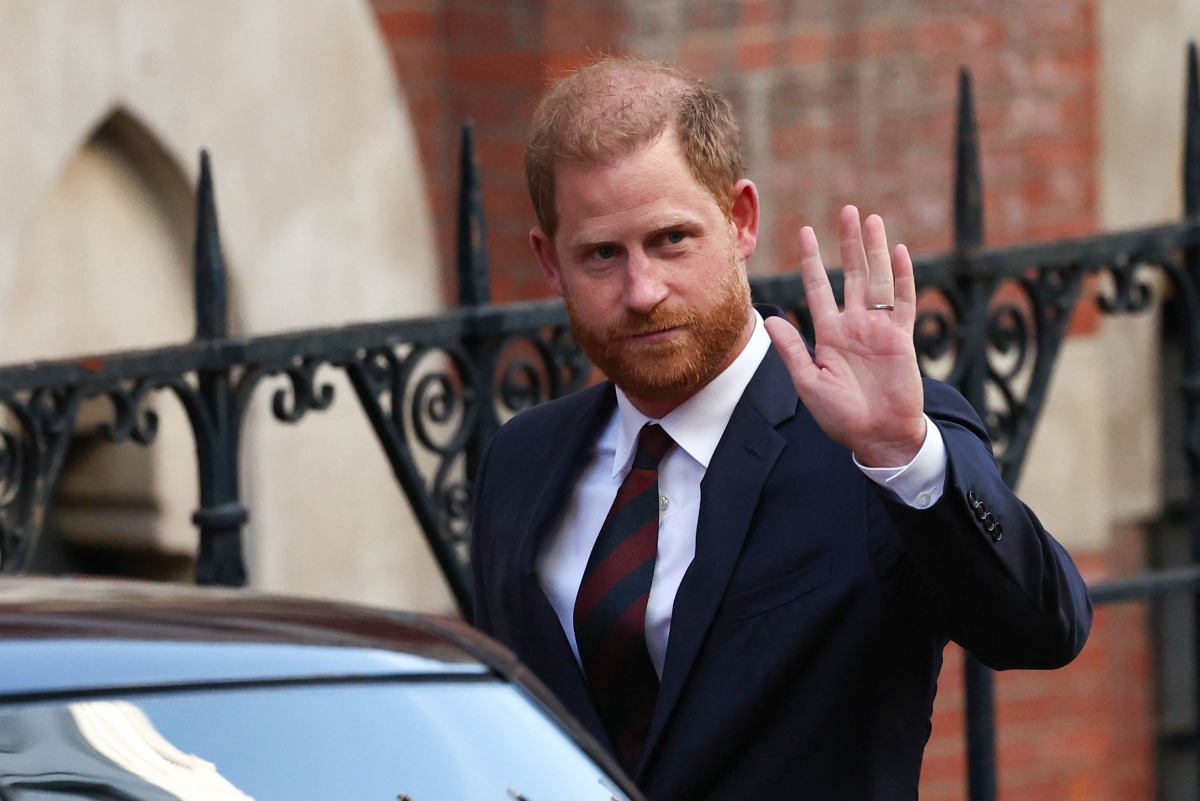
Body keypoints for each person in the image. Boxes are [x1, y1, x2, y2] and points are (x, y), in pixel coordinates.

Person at [470, 55, 1092, 801]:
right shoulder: (520, 459)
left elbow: (1042, 629)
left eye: (672, 239)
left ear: (740, 220)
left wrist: (903, 454)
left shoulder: (873, 447)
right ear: (549, 261)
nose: (642, 291)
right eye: (602, 253)